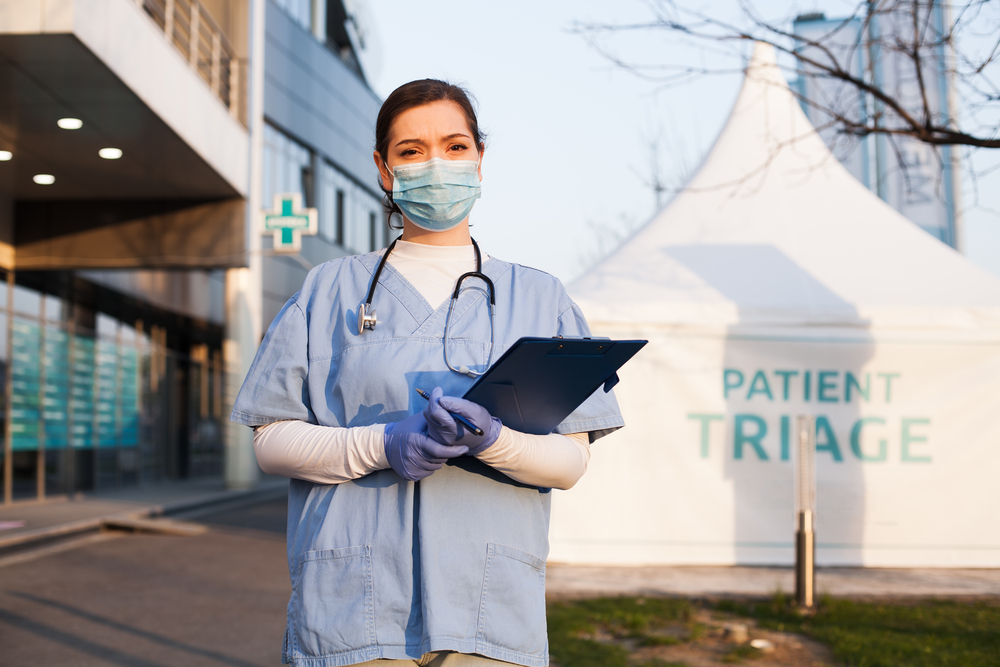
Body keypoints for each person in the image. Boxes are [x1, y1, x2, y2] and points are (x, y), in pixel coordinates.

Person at [231, 79, 623, 667]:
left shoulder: (541, 298)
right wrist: (385, 443)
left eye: (455, 146)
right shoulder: (327, 291)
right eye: (412, 151)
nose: (436, 164)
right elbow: (273, 443)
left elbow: (569, 464)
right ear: (384, 169)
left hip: (489, 614)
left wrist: (495, 442)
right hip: (352, 612)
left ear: (480, 159)